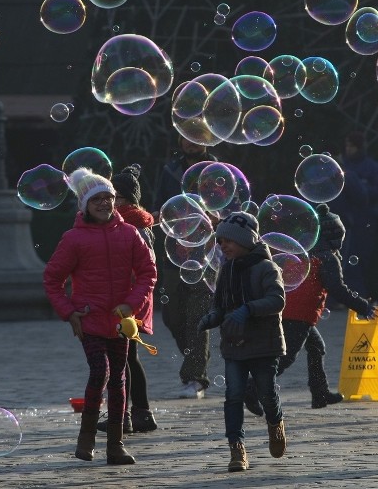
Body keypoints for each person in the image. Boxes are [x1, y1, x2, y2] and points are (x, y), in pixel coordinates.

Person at [43, 168, 157, 465]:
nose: (105, 204)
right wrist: (69, 312)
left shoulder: (130, 233)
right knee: (100, 372)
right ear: (85, 205)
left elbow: (147, 273)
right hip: (90, 320)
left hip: (121, 322)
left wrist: (132, 304)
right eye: (98, 200)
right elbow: (53, 279)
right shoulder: (73, 239)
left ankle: (115, 445)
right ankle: (87, 438)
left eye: (109, 198)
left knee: (118, 378)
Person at [243, 204, 378, 415]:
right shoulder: (327, 257)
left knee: (316, 346)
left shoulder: (301, 251)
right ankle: (251, 388)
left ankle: (320, 393)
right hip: (300, 314)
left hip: (285, 308)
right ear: (336, 237)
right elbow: (337, 288)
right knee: (285, 357)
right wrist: (363, 306)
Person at [197, 211, 287, 473]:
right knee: (233, 396)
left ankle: (275, 422)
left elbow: (278, 300)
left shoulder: (267, 267)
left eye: (229, 241)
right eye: (220, 241)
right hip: (234, 345)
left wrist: (248, 309)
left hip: (264, 344)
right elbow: (220, 306)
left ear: (247, 240)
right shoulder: (226, 270)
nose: (223, 246)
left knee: (267, 393)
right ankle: (237, 449)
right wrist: (211, 318)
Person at [152, 136, 218, 399]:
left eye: (196, 135)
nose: (191, 142)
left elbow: (227, 207)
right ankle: (195, 361)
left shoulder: (216, 171)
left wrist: (216, 217)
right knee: (172, 316)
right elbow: (159, 207)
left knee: (197, 316)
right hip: (174, 252)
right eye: (186, 136)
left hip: (205, 253)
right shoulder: (170, 170)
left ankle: (195, 377)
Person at [95, 165, 158, 434]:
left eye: (113, 197)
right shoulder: (136, 222)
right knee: (129, 357)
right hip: (134, 298)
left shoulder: (130, 225)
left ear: (125, 200)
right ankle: (141, 414)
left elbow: (137, 267)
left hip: (127, 299)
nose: (107, 202)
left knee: (121, 358)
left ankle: (123, 417)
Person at [329, 131, 378, 299]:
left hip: (364, 220)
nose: (348, 149)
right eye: (346, 146)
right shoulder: (342, 167)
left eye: (351, 146)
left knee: (361, 258)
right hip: (345, 220)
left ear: (360, 147)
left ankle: (359, 296)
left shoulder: (372, 168)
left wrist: (361, 187)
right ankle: (348, 297)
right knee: (344, 260)